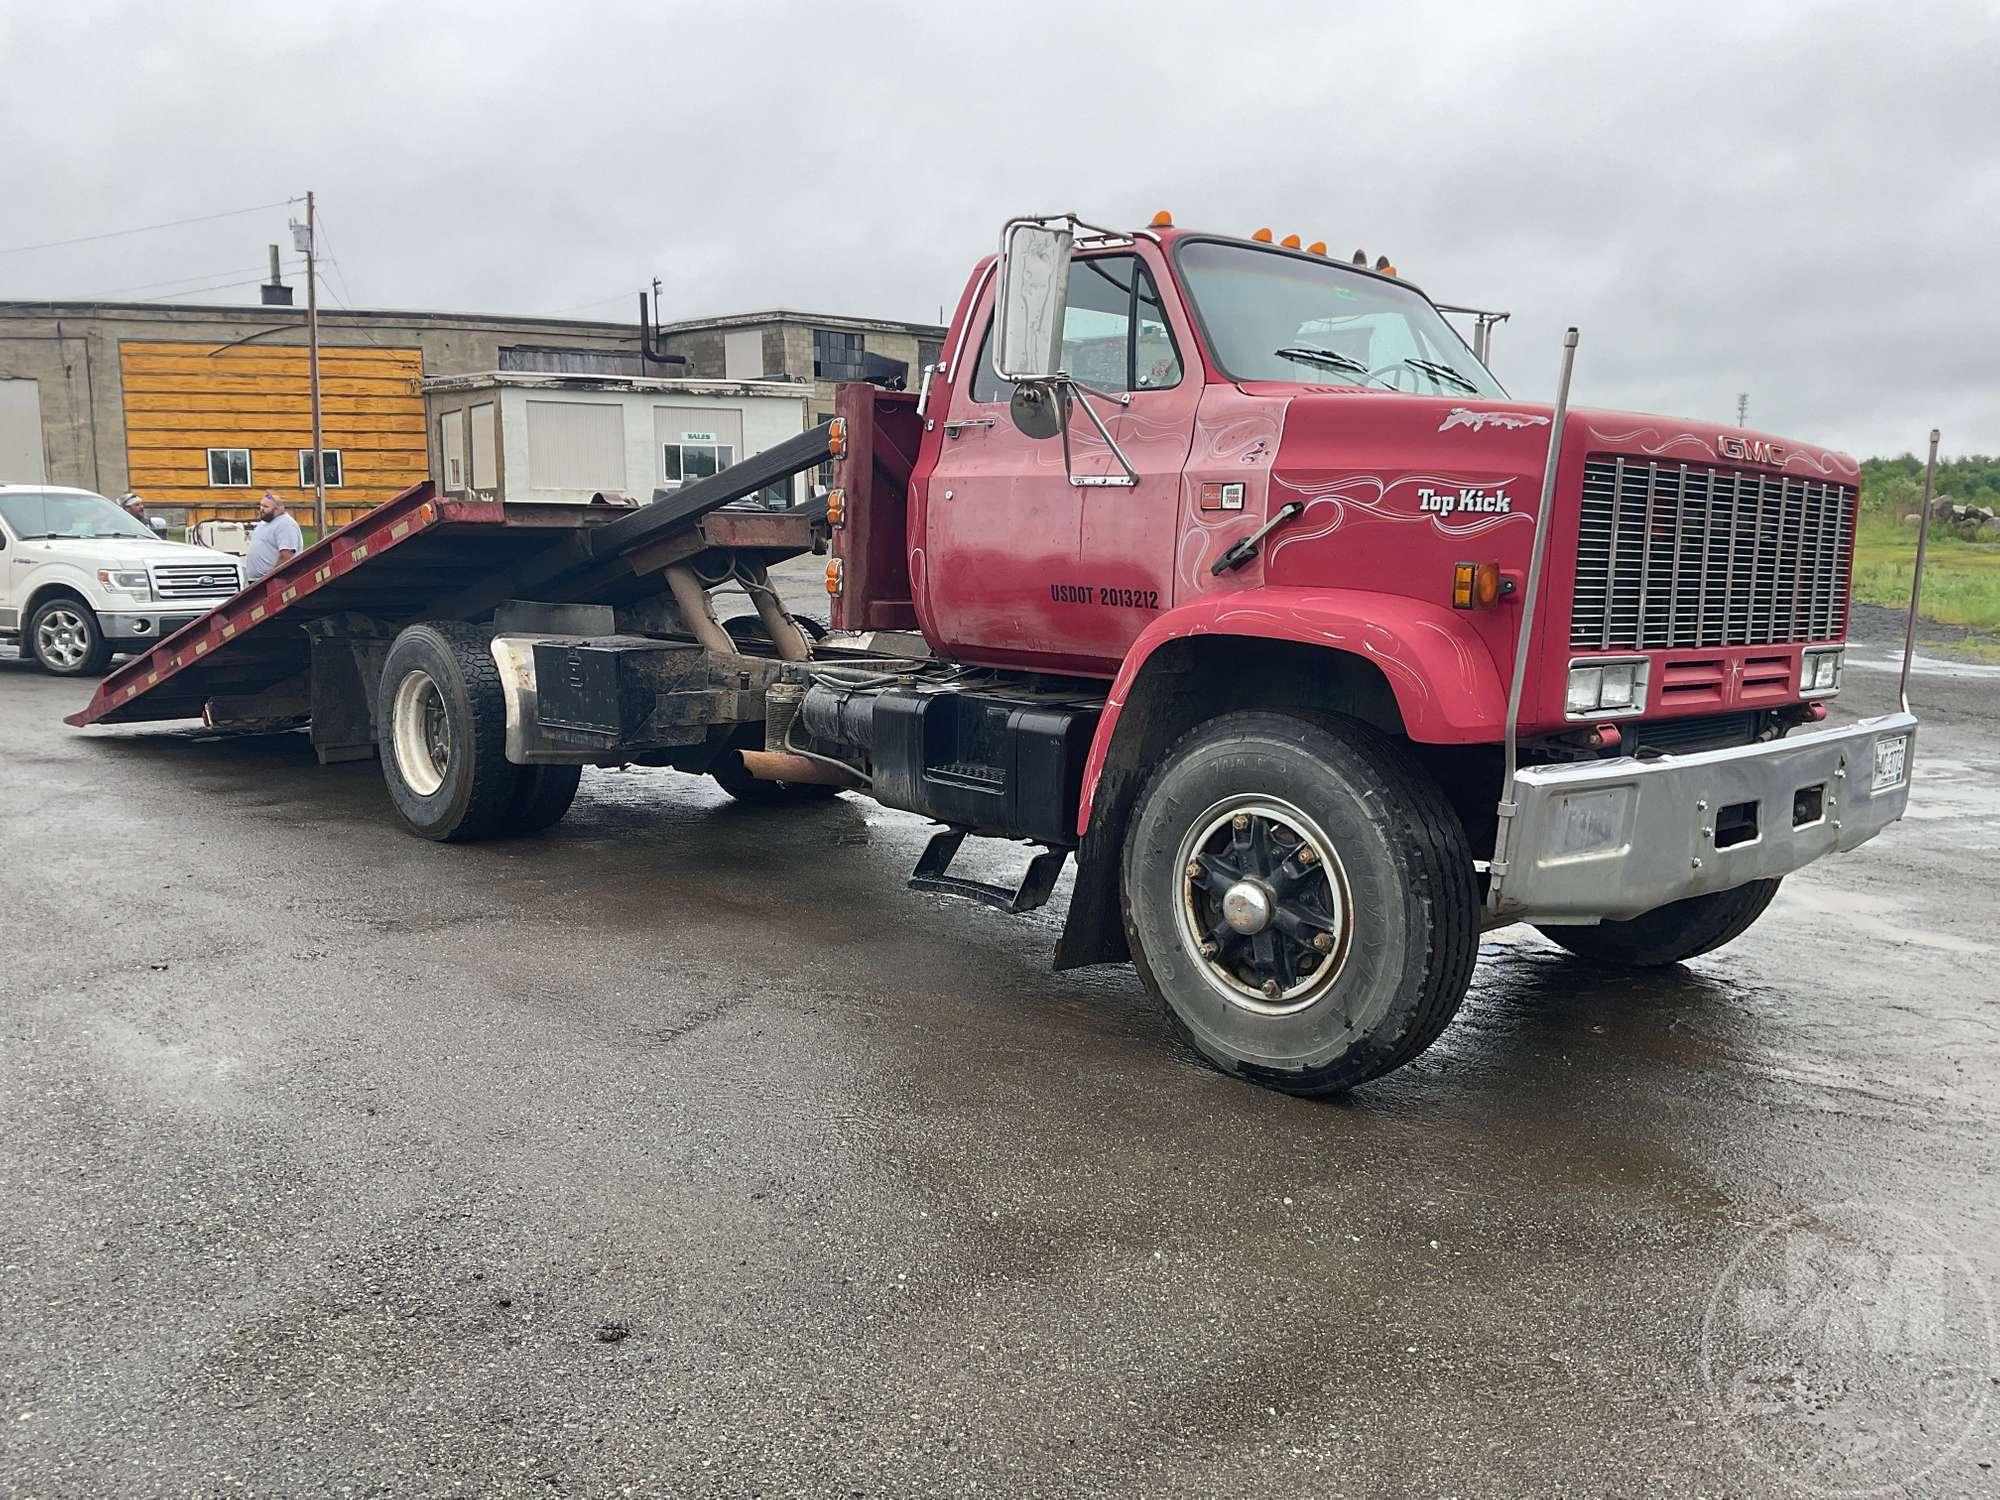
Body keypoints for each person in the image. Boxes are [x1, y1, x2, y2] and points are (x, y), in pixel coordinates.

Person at [244, 492, 303, 582]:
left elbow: (287, 555)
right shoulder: (265, 522)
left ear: (278, 509)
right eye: (261, 506)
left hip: (274, 582)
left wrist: (270, 577)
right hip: (256, 580)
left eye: (266, 507)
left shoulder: (285, 524)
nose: (261, 509)